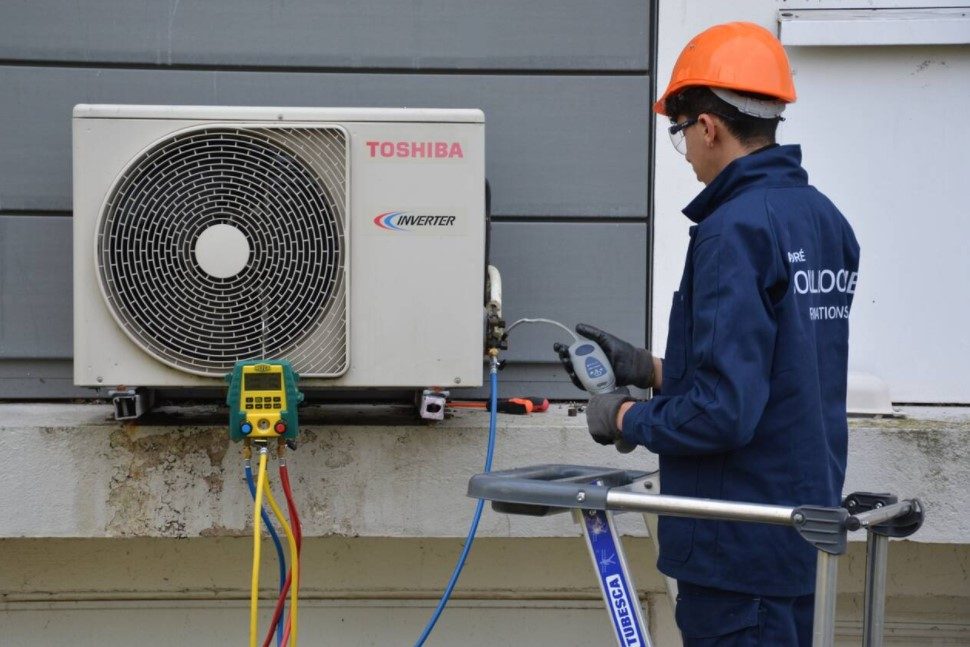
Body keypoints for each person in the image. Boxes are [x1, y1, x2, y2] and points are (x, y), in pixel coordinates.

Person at [563, 22, 860, 646]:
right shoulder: (825, 221)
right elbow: (782, 373)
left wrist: (622, 419)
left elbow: (725, 413)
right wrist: (649, 369)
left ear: (708, 127)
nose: (687, 151)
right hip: (799, 536)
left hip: (735, 551)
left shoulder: (733, 231)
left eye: (681, 133)